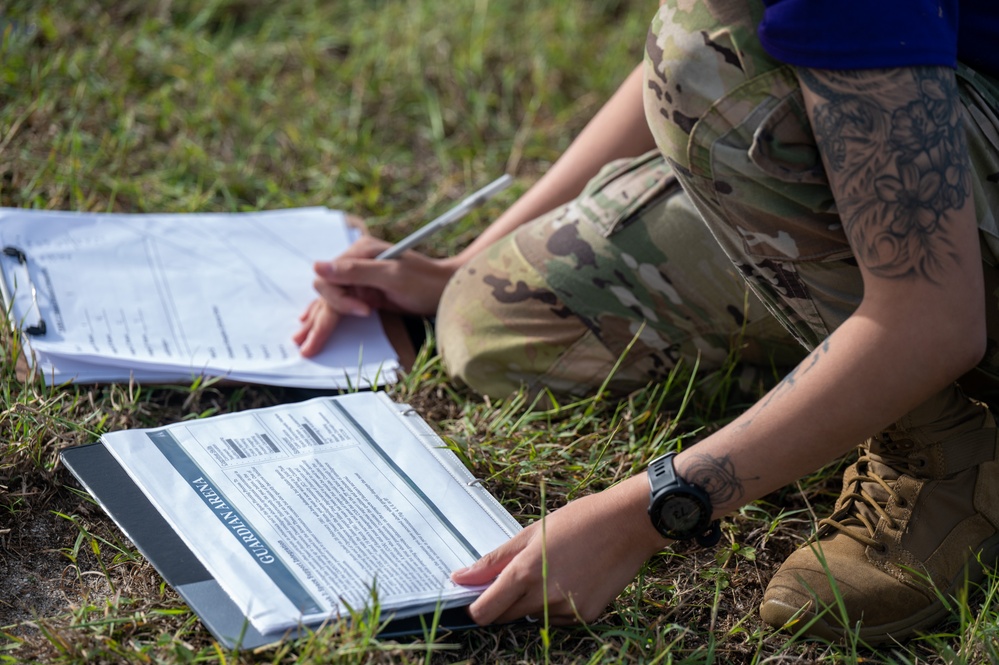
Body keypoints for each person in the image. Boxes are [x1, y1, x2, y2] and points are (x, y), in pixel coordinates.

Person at [295, 0, 999, 644]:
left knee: (706, 49)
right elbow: (685, 62)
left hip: (928, 184)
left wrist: (650, 511)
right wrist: (461, 263)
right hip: (903, 100)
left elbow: (932, 319)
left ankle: (944, 447)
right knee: (501, 321)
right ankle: (843, 367)